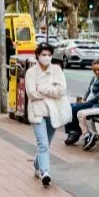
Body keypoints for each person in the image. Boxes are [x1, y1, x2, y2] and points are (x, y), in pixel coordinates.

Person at [25, 43, 71, 187]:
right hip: (37, 113)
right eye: (44, 55)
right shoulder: (31, 73)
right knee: (43, 144)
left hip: (53, 113)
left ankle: (37, 163)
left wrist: (43, 89)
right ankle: (45, 172)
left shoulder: (57, 70)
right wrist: (51, 92)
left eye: (49, 55)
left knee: (46, 144)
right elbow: (31, 93)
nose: (47, 58)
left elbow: (61, 90)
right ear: (37, 55)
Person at [64, 60, 99, 145]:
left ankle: (75, 132)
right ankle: (72, 132)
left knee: (74, 108)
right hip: (88, 102)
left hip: (95, 104)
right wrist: (84, 99)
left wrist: (85, 103)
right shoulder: (94, 78)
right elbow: (89, 91)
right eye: (94, 70)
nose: (97, 72)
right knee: (68, 107)